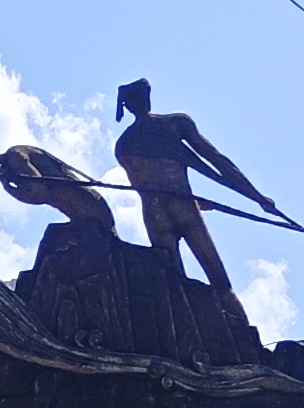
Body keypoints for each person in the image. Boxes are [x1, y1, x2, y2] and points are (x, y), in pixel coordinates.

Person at [111, 79, 275, 292]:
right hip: (181, 208)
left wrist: (257, 198)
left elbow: (148, 186)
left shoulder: (124, 144)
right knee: (217, 285)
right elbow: (217, 161)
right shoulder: (173, 124)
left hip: (156, 213)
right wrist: (258, 197)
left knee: (178, 287)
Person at [0, 135, 117, 240]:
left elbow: (40, 192)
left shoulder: (15, 155)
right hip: (81, 216)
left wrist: (8, 188)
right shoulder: (6, 169)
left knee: (53, 239)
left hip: (91, 210)